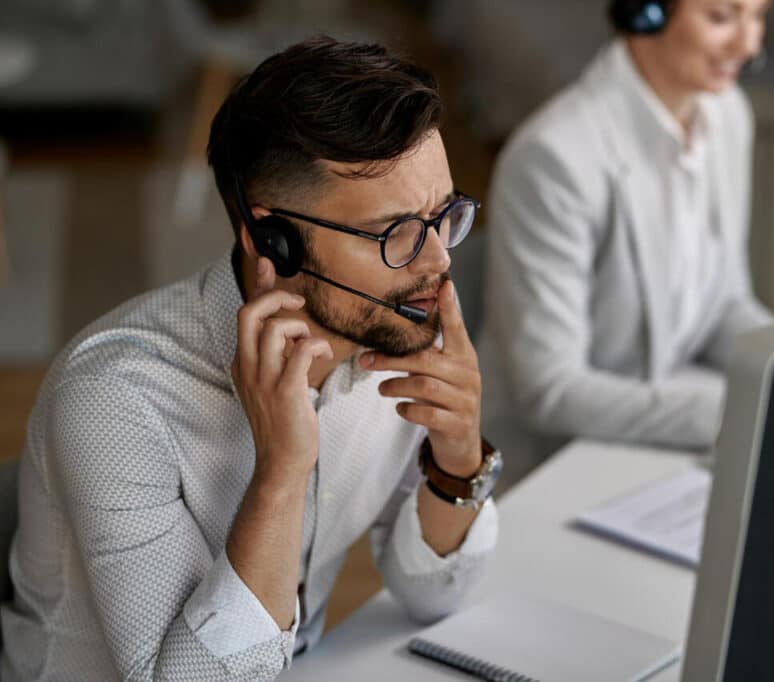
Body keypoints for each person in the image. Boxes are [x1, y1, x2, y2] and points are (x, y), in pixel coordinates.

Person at [1, 37, 502, 680]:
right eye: (394, 233)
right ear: (273, 238)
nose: (439, 261)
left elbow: (434, 594)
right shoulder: (113, 399)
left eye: (443, 217)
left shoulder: (394, 330)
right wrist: (282, 470)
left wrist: (457, 459)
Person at [478, 0, 774, 479]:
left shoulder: (728, 116)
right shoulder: (555, 156)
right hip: (552, 463)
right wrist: (730, 413)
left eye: (760, 15)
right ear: (645, 11)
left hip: (658, 436)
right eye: (722, 16)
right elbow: (549, 389)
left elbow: (723, 304)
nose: (750, 43)